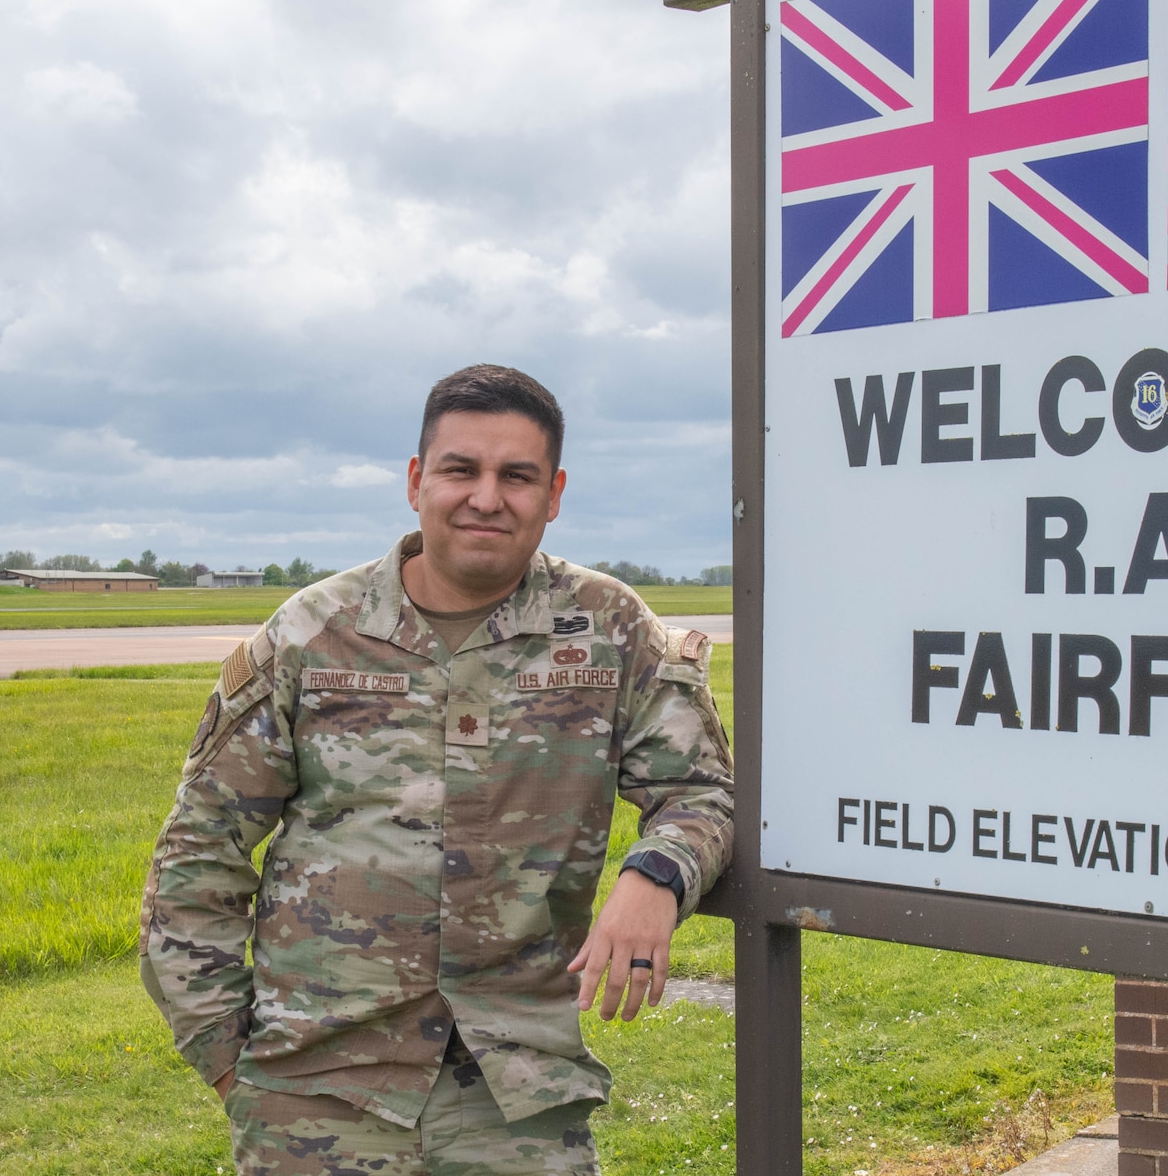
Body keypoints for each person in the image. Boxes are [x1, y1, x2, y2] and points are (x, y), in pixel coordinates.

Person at [140, 364, 734, 1175]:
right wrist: (228, 1062)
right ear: (418, 480)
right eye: (462, 469)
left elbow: (700, 790)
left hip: (518, 1096)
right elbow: (198, 851)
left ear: (553, 494)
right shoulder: (313, 633)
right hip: (318, 1094)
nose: (487, 496)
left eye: (516, 475)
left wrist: (657, 875)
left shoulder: (608, 628)